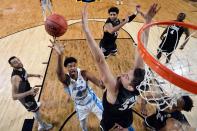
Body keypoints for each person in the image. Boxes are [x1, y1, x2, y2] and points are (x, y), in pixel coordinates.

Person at [82, 3, 159, 131]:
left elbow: (100, 60)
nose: (124, 73)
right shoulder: (138, 84)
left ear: (129, 86)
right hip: (127, 118)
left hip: (110, 124)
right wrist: (148, 21)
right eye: (128, 72)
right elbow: (142, 48)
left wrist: (86, 31)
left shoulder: (114, 91)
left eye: (127, 76)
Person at [49, 40, 105, 131]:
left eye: (74, 65)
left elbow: (100, 85)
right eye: (70, 66)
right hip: (80, 106)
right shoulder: (66, 80)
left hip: (93, 101)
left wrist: (102, 84)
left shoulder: (84, 74)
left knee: (105, 120)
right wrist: (60, 55)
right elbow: (59, 74)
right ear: (67, 69)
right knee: (83, 125)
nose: (72, 68)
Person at [8, 56, 53, 131]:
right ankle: (42, 126)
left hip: (27, 92)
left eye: (18, 60)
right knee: (36, 111)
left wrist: (35, 75)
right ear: (12, 66)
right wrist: (29, 92)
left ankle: (35, 106)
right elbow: (14, 96)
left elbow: (25, 75)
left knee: (35, 108)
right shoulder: (15, 78)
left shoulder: (20, 68)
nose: (18, 62)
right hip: (25, 98)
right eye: (15, 62)